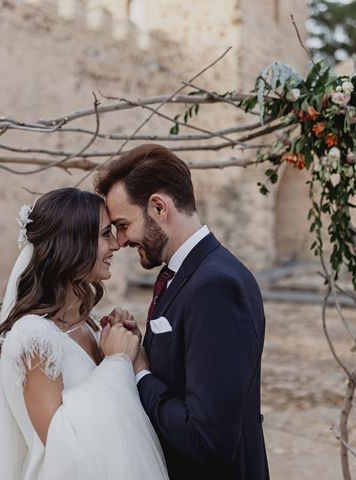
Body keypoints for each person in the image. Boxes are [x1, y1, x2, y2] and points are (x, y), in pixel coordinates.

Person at [94, 144, 270, 480]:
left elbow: (209, 440)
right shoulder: (188, 273)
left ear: (159, 207)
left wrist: (140, 373)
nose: (119, 240)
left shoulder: (216, 286)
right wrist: (138, 347)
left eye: (123, 224)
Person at [0, 188, 169, 480]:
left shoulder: (85, 324)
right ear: (73, 244)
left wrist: (122, 349)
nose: (117, 244)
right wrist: (116, 363)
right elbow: (62, 443)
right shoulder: (32, 337)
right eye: (105, 234)